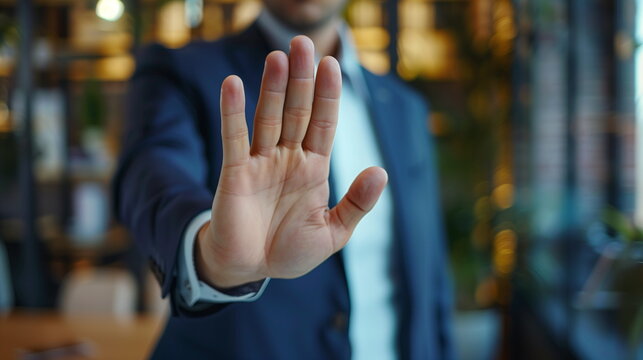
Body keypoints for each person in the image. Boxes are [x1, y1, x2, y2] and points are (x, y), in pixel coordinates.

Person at [114, 0, 453, 358]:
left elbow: (431, 279)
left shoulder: (405, 107)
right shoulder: (181, 72)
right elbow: (152, 175)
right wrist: (212, 255)